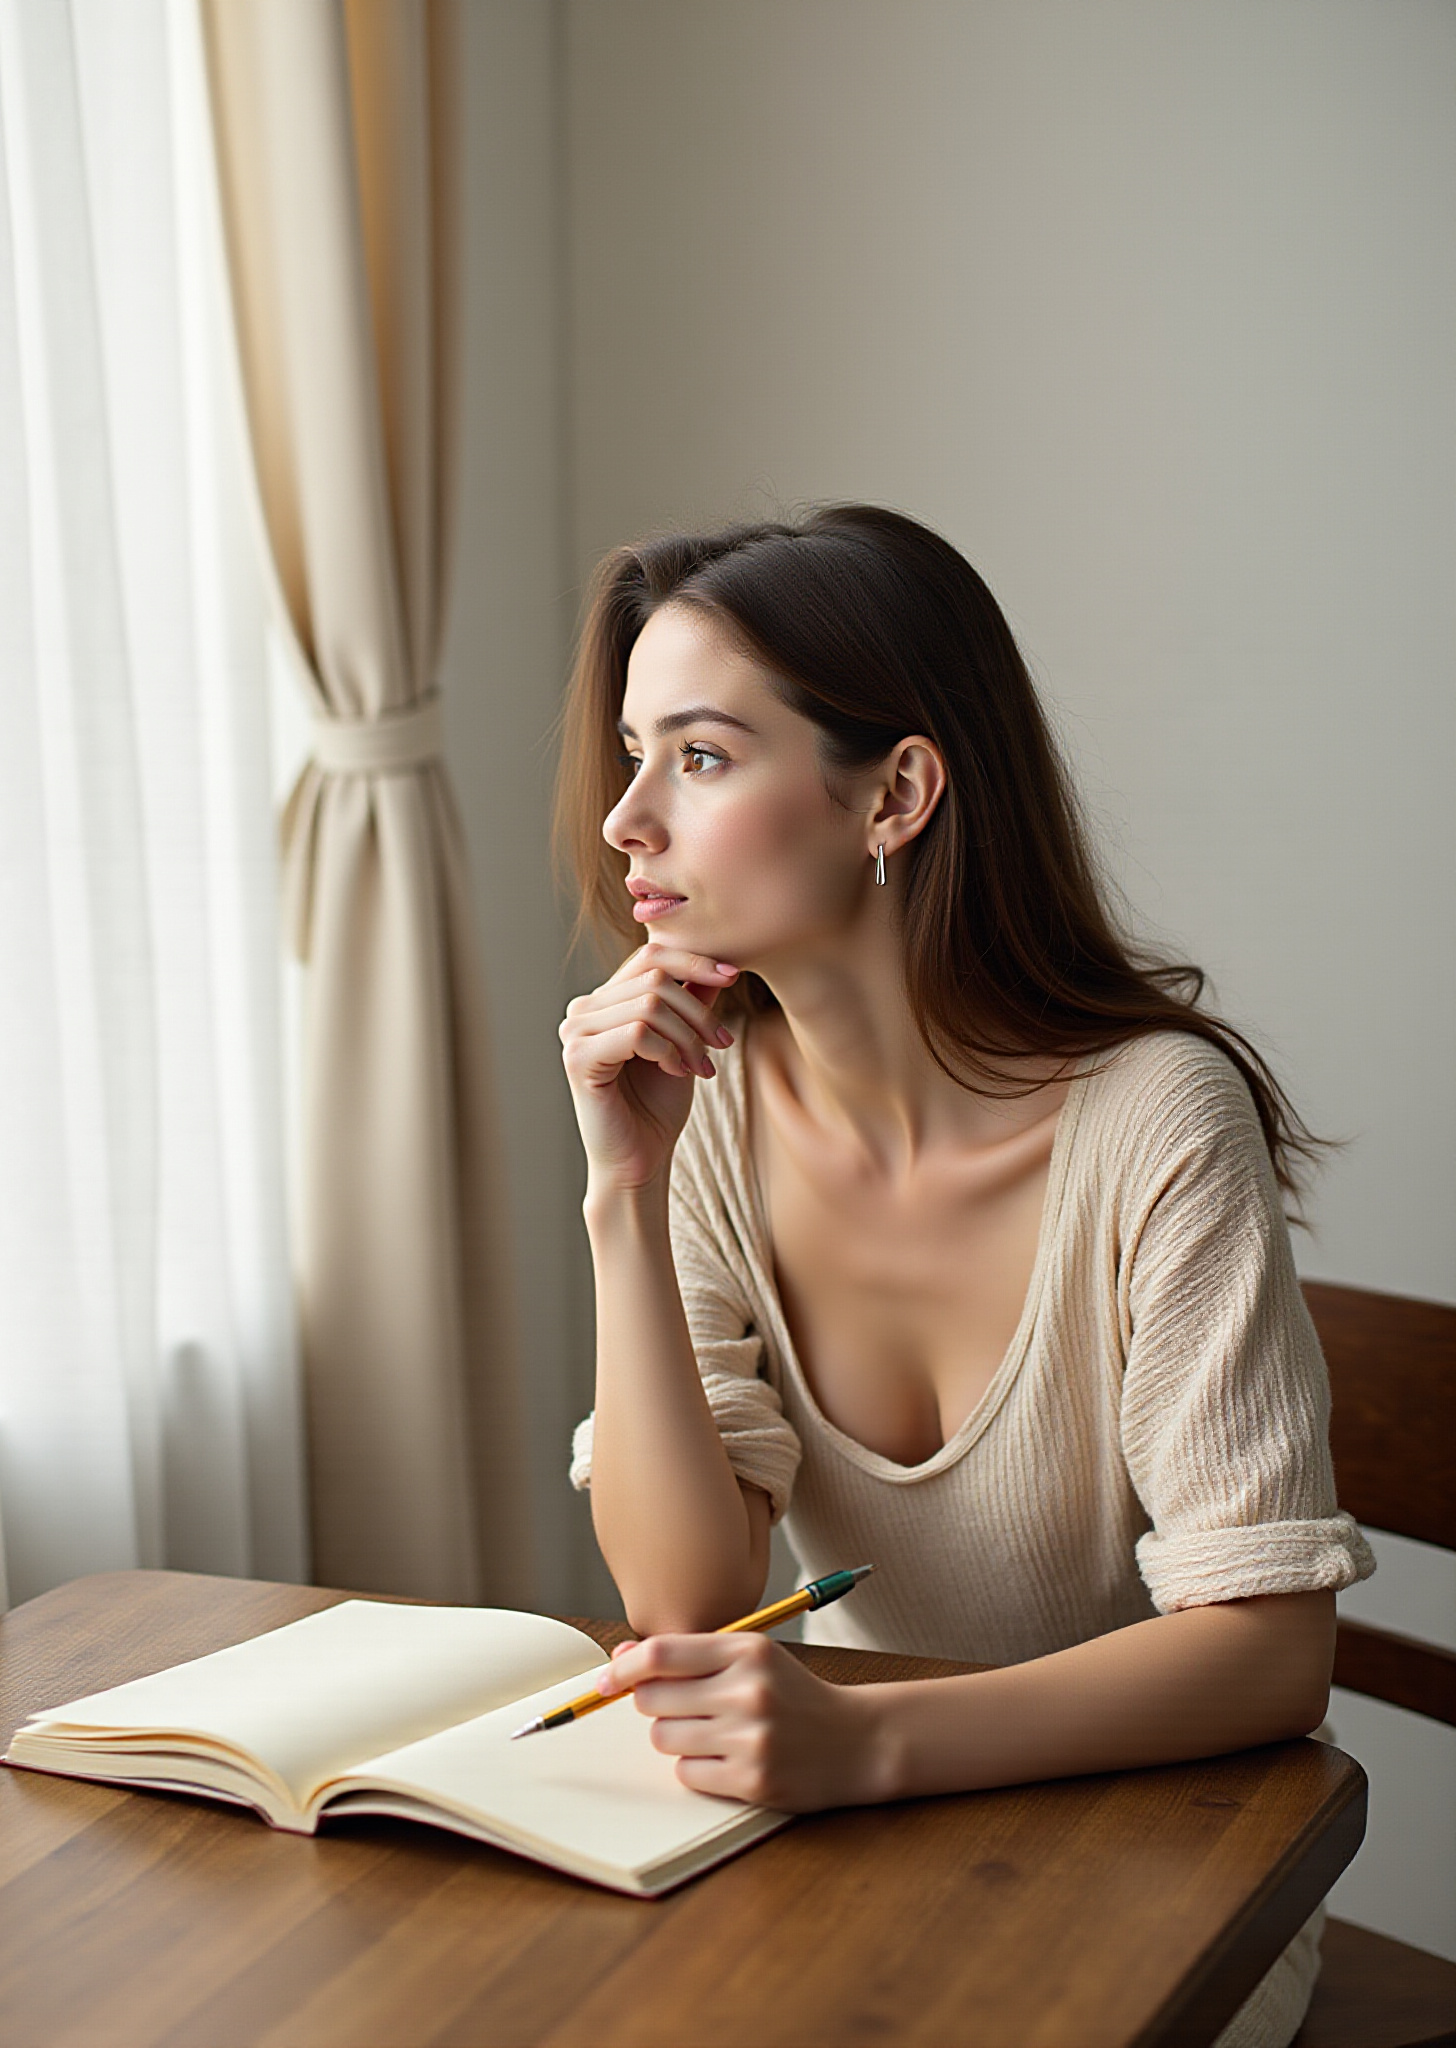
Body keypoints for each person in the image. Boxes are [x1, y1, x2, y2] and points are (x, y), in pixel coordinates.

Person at [553, 504, 1373, 2047]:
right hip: (841, 1846)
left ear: (897, 795)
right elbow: (685, 1596)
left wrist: (867, 1745)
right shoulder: (704, 1110)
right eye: (632, 751)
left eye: (703, 757)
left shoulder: (1154, 1120)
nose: (626, 819)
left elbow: (1269, 1649)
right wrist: (622, 1188)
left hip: (1149, 1871)